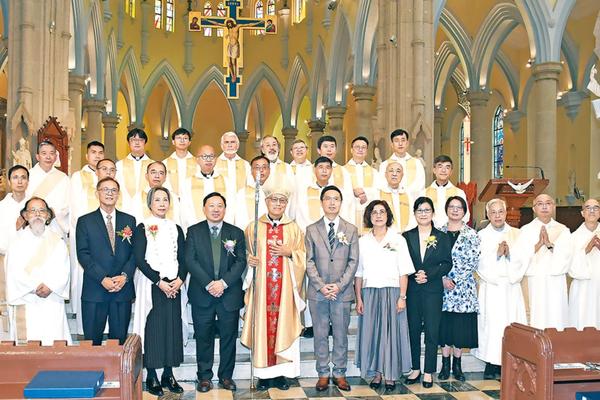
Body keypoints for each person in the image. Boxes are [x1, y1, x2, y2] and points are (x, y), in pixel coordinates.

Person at [241, 181, 306, 391]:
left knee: (282, 325)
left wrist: (290, 253)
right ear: (266, 201)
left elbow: (303, 257)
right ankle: (263, 375)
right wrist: (248, 259)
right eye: (274, 200)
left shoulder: (294, 228)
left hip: (285, 290)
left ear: (286, 204)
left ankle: (281, 375)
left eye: (282, 201)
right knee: (263, 326)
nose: (278, 204)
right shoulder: (254, 227)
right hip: (262, 289)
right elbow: (244, 253)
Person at [185, 192, 246, 393]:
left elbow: (241, 261)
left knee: (229, 337)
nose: (216, 209)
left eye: (220, 205)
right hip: (203, 293)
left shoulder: (236, 232)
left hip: (229, 294)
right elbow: (190, 260)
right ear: (204, 208)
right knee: (203, 336)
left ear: (225, 209)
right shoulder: (193, 231)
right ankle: (204, 377)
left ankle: (226, 377)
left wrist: (223, 283)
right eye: (211, 205)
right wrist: (210, 284)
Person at [355, 200, 413, 391]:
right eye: (374, 212)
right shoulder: (362, 241)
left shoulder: (398, 239)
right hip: (370, 293)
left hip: (392, 292)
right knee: (373, 334)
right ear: (369, 217)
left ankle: (390, 374)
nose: (378, 215)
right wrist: (359, 298)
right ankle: (377, 373)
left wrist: (402, 297)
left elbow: (404, 271)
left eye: (382, 212)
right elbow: (359, 273)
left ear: (388, 215)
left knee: (390, 334)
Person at [133, 187, 186, 396]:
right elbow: (139, 259)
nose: (162, 203)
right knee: (153, 329)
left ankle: (168, 374)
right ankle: (152, 375)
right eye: (157, 200)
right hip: (152, 284)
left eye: (165, 199)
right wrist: (158, 281)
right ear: (150, 204)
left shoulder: (176, 228)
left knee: (172, 329)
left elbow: (183, 257)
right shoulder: (142, 227)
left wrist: (180, 279)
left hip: (174, 286)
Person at [305, 185, 359, 392]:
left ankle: (339, 373)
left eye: (336, 198)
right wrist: (321, 286)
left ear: (341, 202)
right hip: (318, 293)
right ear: (321, 202)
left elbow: (353, 261)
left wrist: (339, 285)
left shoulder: (351, 229)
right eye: (328, 198)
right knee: (319, 334)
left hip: (342, 292)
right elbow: (308, 261)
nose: (332, 202)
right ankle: (322, 373)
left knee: (340, 334)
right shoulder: (311, 229)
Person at [76, 177, 136, 345]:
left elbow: (134, 254)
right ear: (97, 193)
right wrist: (102, 278)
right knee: (92, 343)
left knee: (119, 342)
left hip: (121, 289)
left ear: (118, 194)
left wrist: (125, 276)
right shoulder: (85, 221)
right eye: (105, 190)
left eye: (113, 190)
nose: (110, 193)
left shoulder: (129, 220)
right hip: (95, 288)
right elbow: (83, 254)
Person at [472, 198, 526, 380]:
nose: (497, 216)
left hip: (510, 286)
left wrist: (510, 255)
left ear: (506, 213)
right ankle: (490, 362)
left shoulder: (517, 234)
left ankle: (509, 362)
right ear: (487, 215)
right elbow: (478, 262)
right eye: (493, 212)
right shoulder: (481, 236)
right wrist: (496, 254)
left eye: (500, 212)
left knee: (510, 323)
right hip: (492, 287)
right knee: (491, 324)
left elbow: (524, 259)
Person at [5, 197, 71, 345]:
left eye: (41, 210)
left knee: (53, 340)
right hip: (26, 299)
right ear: (25, 215)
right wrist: (34, 287)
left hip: (51, 299)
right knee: (29, 342)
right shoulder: (16, 242)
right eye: (33, 210)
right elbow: (13, 271)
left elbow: (63, 269)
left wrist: (50, 286)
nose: (37, 214)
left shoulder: (57, 241)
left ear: (48, 215)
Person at [402, 197, 452, 388]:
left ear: (433, 213)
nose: (423, 214)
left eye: (427, 210)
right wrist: (414, 274)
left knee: (432, 330)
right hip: (413, 289)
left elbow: (447, 263)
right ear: (414, 213)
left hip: (433, 290)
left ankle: (429, 371)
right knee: (413, 329)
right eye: (420, 211)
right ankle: (415, 368)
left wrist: (429, 275)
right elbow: (402, 262)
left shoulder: (442, 237)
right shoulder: (406, 237)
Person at [437, 196, 480, 382]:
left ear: (464, 211)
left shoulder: (472, 234)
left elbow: (473, 261)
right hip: (441, 289)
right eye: (451, 207)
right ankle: (445, 365)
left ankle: (457, 365)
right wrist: (442, 278)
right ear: (446, 209)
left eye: (459, 207)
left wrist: (454, 279)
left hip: (463, 289)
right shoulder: (437, 232)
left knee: (459, 328)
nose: (455, 210)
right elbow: (432, 259)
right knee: (444, 327)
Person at [515, 194, 571, 329]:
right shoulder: (525, 230)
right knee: (535, 317)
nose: (544, 207)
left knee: (556, 315)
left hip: (555, 281)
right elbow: (519, 257)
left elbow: (567, 257)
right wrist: (538, 245)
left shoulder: (563, 230)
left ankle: (555, 341)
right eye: (540, 204)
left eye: (548, 203)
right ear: (534, 208)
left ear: (554, 207)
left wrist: (549, 245)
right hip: (534, 281)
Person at [69, 141, 105, 334]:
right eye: (93, 152)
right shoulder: (78, 177)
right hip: (87, 233)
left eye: (100, 152)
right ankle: (84, 322)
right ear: (87, 156)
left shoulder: (108, 176)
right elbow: (75, 207)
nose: (97, 156)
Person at [294, 157, 353, 231]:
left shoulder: (338, 192)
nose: (324, 171)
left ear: (331, 170)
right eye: (321, 167)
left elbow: (344, 213)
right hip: (309, 232)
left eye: (328, 167)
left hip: (333, 232)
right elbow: (301, 214)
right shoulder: (305, 191)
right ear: (314, 170)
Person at [180, 145, 231, 229]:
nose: (208, 159)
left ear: (216, 159)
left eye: (211, 156)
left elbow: (230, 208)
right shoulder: (187, 183)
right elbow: (185, 210)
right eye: (204, 156)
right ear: (197, 160)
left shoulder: (226, 181)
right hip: (196, 229)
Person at [568, 198, 600, 330]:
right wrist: (587, 249)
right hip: (583, 288)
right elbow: (570, 267)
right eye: (588, 208)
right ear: (582, 213)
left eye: (596, 208)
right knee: (582, 322)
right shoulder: (573, 237)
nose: (592, 211)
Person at [27, 140, 70, 235]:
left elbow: (68, 203)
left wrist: (52, 213)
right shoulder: (28, 176)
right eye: (44, 153)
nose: (48, 157)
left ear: (55, 157)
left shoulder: (63, 178)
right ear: (37, 157)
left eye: (51, 153)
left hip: (56, 226)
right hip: (32, 225)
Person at [344, 136, 381, 232]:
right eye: (357, 147)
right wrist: (353, 192)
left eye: (363, 147)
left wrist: (365, 194)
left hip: (367, 211)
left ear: (367, 151)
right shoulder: (342, 170)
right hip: (349, 212)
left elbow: (377, 193)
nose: (360, 149)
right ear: (351, 150)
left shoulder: (374, 172)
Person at [420, 155, 469, 227]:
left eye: (447, 167)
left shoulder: (459, 193)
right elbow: (419, 215)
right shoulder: (424, 193)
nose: (443, 170)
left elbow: (465, 216)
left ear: (451, 171)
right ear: (434, 170)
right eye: (440, 167)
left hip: (451, 231)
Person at [115, 128, 154, 218]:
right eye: (133, 140)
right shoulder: (119, 165)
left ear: (145, 143)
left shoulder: (153, 165)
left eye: (140, 140)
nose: (137, 143)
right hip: (124, 207)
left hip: (146, 208)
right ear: (129, 143)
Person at [379, 129, 426, 195]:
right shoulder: (384, 165)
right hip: (391, 199)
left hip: (412, 199)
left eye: (403, 140)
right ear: (392, 144)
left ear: (407, 143)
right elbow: (383, 186)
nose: (400, 144)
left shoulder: (417, 163)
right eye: (396, 141)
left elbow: (421, 186)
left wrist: (405, 196)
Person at [234, 155, 271, 230]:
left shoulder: (275, 191)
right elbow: (239, 219)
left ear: (269, 170)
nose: (261, 170)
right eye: (257, 168)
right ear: (251, 171)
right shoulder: (242, 193)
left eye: (264, 167)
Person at [378, 162, 416, 233]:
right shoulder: (378, 194)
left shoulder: (408, 195)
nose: (394, 174)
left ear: (402, 175)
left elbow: (413, 217)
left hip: (406, 234)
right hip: (385, 235)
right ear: (385, 174)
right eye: (391, 171)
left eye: (398, 171)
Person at [215, 131, 252, 204]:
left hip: (240, 203)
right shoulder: (214, 164)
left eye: (232, 142)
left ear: (237, 145)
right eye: (226, 142)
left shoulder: (245, 165)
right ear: (222, 145)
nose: (229, 145)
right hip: (219, 204)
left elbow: (250, 186)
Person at [163, 128, 196, 197]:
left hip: (192, 199)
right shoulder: (164, 163)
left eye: (185, 138)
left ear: (189, 142)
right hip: (171, 198)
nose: (182, 141)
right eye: (178, 138)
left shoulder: (197, 163)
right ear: (173, 142)